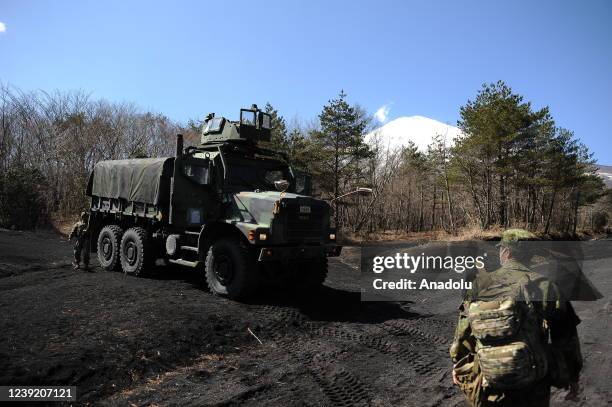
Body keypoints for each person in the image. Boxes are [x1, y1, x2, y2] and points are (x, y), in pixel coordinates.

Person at [450, 229, 582, 407]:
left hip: (490, 382)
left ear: (506, 252)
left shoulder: (479, 285)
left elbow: (463, 336)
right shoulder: (545, 286)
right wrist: (573, 378)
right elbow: (567, 338)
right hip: (533, 387)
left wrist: (459, 365)